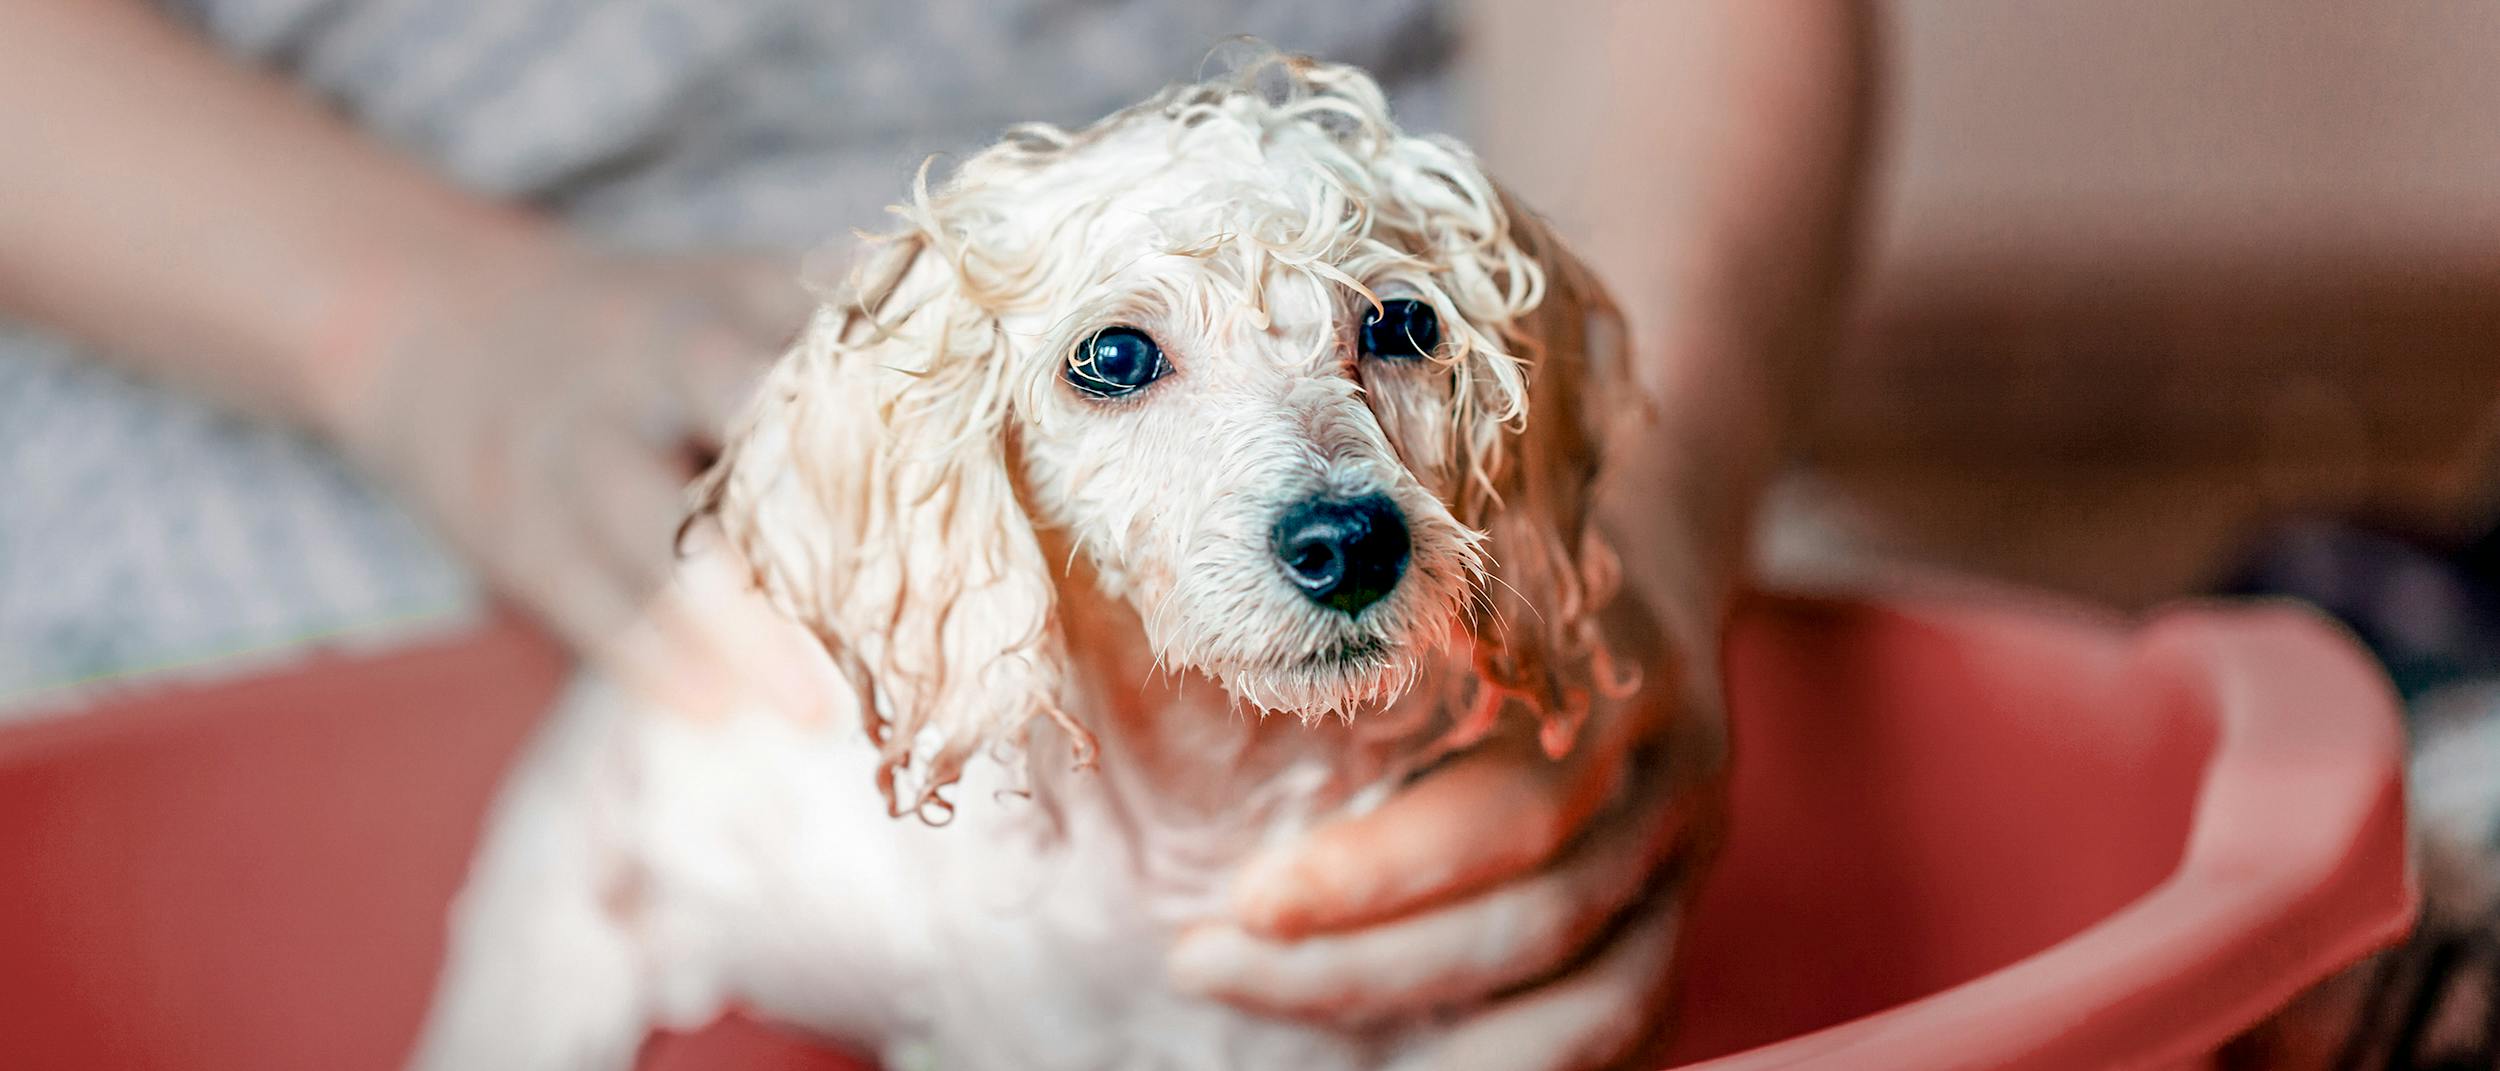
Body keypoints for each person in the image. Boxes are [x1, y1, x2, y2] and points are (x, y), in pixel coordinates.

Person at [0, 0, 1872, 1060]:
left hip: (1449, 196)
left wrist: (1650, 498)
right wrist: (402, 325)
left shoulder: (1472, 350)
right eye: (1125, 362)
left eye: (1382, 337)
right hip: (248, 270)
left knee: (1794, 791)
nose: (1327, 504)